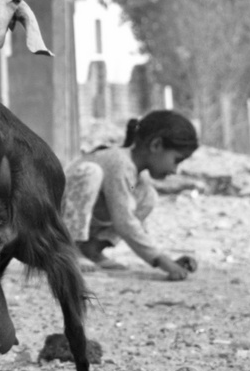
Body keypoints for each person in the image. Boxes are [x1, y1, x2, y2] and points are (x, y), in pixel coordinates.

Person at [63, 110, 199, 279]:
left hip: (88, 222)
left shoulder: (137, 176)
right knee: (91, 173)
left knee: (147, 197)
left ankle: (91, 249)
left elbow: (132, 221)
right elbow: (124, 221)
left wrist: (166, 258)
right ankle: (67, 249)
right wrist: (160, 260)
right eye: (176, 160)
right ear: (156, 145)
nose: (175, 170)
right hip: (50, 221)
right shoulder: (119, 162)